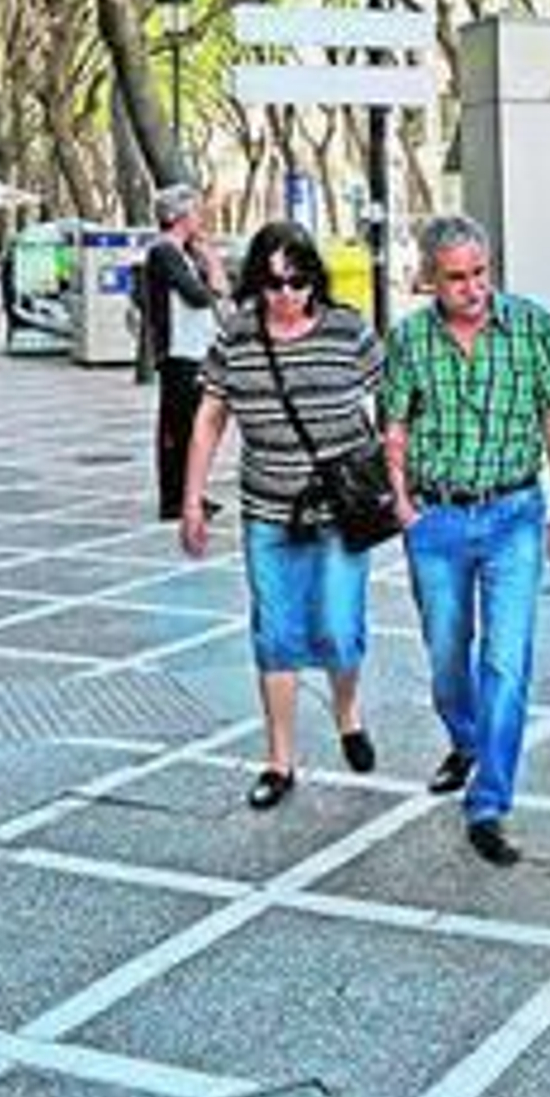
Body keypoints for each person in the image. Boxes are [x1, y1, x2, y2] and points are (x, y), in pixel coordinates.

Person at [382, 214, 550, 867]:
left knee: (506, 661)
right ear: (429, 280)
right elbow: (395, 427)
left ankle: (490, 803)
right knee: (446, 657)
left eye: (480, 273)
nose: (472, 289)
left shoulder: (530, 326)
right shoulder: (410, 339)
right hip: (436, 523)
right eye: (456, 278)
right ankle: (466, 739)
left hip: (512, 518)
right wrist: (405, 506)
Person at [180, 221, 384, 810]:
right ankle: (280, 760)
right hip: (268, 511)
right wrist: (192, 500)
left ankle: (347, 712)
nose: (286, 295)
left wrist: (399, 482)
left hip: (341, 513)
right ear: (256, 284)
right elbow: (210, 418)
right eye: (272, 284)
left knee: (340, 632)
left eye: (296, 282)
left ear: (313, 278)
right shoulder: (238, 338)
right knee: (276, 634)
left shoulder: (348, 330)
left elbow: (392, 402)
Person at [146, 184, 227, 519]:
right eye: (195, 211)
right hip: (178, 352)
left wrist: (208, 260)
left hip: (194, 349)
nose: (200, 218)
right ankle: (173, 499)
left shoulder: (182, 253)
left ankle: (189, 494)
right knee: (177, 426)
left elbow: (219, 290)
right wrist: (210, 265)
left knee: (191, 426)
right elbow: (200, 295)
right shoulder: (163, 252)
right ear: (179, 216)